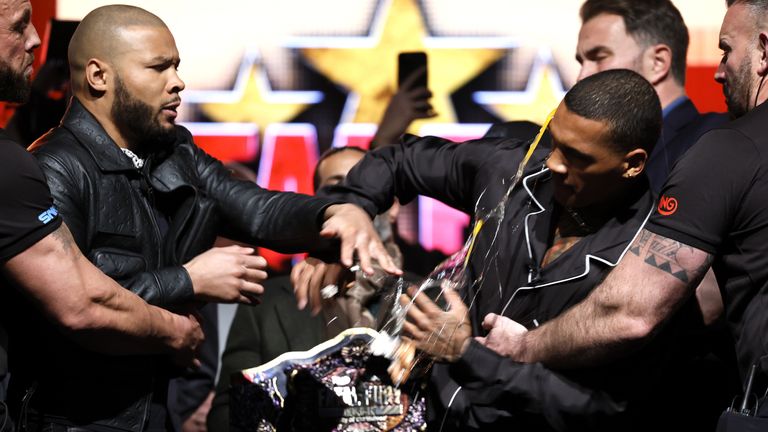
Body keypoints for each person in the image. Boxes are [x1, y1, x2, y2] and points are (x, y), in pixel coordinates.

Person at [18, 5, 398, 432]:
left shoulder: (173, 151)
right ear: (98, 76)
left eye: (176, 67)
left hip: (154, 413)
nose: (177, 82)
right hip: (72, 421)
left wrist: (334, 212)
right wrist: (189, 279)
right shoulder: (53, 168)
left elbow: (256, 207)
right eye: (158, 67)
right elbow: (74, 304)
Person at [299, 69, 687, 430]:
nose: (553, 162)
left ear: (632, 164)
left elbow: (607, 410)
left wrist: (468, 354)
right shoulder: (512, 172)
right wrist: (345, 220)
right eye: (555, 141)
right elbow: (397, 160)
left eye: (577, 157)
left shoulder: (649, 259)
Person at [480, 0, 768, 426]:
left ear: (764, 49)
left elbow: (634, 311)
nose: (719, 69)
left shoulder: (724, 148)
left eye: (726, 50)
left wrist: (521, 346)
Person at [0, 0, 205, 429]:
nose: (37, 39)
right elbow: (83, 303)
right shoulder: (27, 166)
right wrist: (177, 325)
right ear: (98, 76)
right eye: (20, 26)